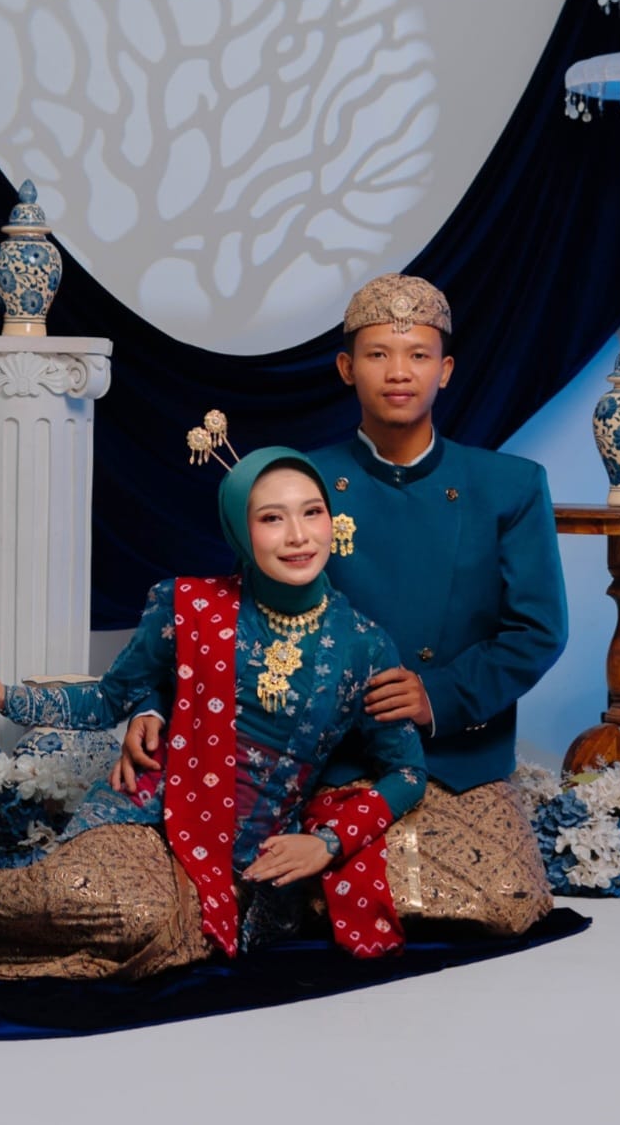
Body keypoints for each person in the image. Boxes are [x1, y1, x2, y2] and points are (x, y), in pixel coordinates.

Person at [0, 448, 426, 978]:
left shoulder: (365, 646)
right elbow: (109, 698)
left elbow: (406, 772)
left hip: (249, 860)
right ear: (241, 531)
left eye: (311, 512)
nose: (298, 535)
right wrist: (5, 696)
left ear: (333, 521)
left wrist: (326, 843)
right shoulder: (188, 605)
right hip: (146, 810)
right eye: (272, 518)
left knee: (143, 924)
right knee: (84, 893)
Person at [117, 276, 567, 931]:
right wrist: (151, 702)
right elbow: (230, 615)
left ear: (445, 370)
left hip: (458, 754)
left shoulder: (510, 484)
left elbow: (537, 629)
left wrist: (437, 695)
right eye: (378, 353)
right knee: (283, 893)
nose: (398, 371)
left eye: (418, 355)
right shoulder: (303, 480)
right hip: (325, 757)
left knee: (502, 904)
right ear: (346, 368)